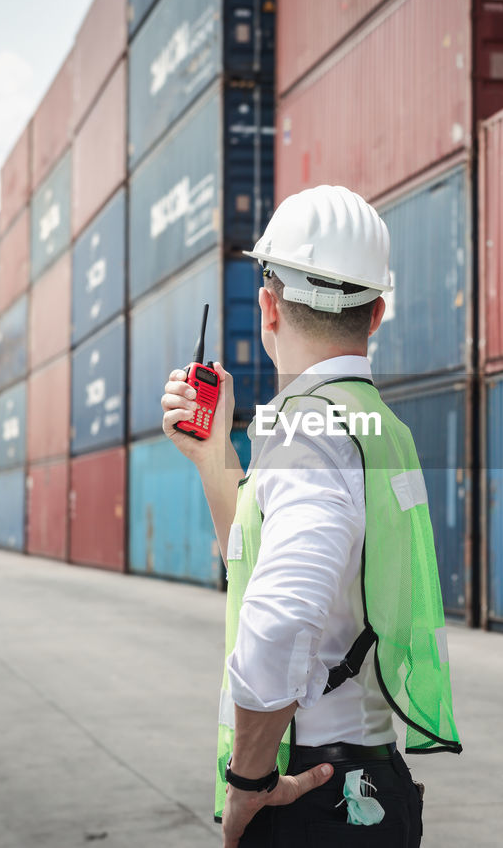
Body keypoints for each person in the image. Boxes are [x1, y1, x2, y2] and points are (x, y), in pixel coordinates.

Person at [161, 185, 462, 847]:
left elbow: (280, 617)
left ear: (268, 307)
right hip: (372, 787)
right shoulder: (373, 426)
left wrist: (249, 783)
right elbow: (267, 565)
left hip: (313, 796)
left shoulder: (306, 431)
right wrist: (214, 456)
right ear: (377, 313)